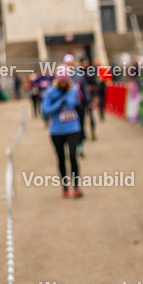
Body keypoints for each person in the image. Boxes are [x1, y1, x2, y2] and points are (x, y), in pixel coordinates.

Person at [41, 66, 83, 198]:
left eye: (66, 81)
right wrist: (59, 104)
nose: (64, 83)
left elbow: (78, 104)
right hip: (57, 131)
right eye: (61, 81)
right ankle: (65, 187)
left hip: (73, 128)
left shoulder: (73, 89)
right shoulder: (50, 92)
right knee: (61, 158)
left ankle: (76, 187)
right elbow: (45, 111)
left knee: (72, 155)